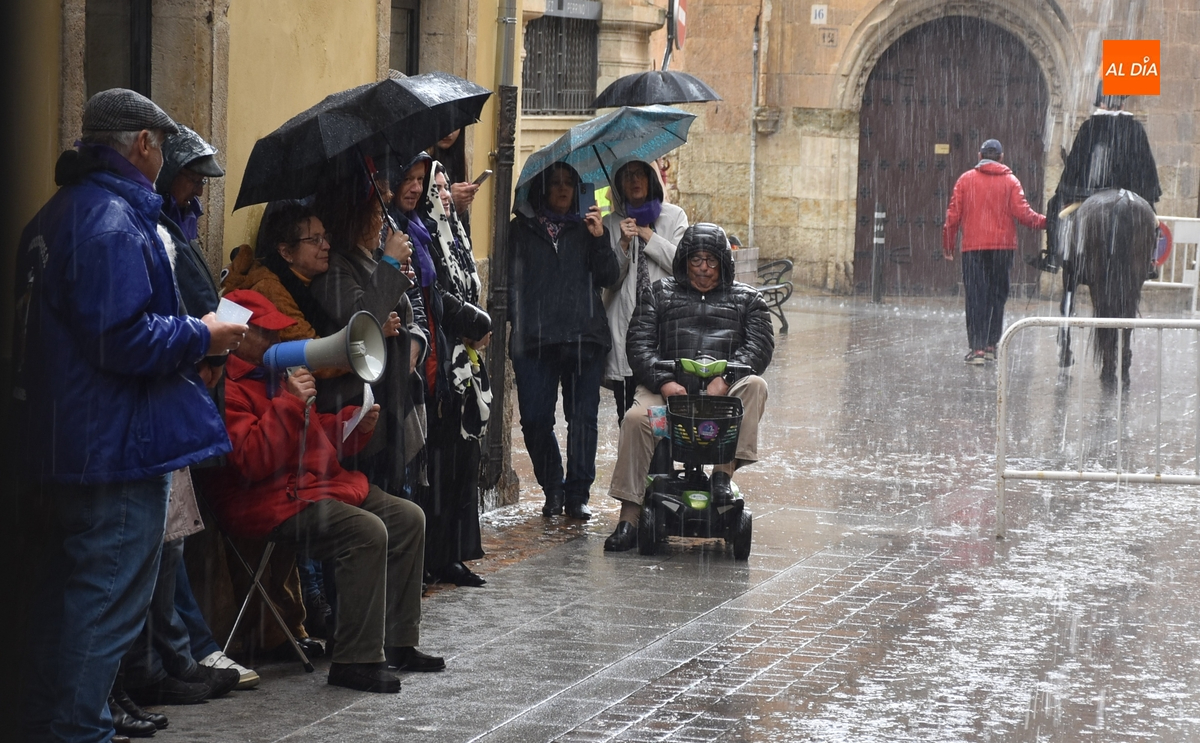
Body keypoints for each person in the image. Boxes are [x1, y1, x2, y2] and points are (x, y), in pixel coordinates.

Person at [15, 88, 247, 743]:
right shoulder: (111, 221)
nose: (165, 156)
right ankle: (80, 728)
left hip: (65, 443)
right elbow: (121, 338)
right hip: (111, 447)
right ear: (143, 143)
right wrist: (202, 334)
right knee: (106, 598)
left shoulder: (55, 214)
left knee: (67, 595)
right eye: (162, 143)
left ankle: (52, 720)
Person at [211, 289, 444, 693]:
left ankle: (398, 641)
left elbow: (313, 439)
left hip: (308, 486)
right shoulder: (226, 388)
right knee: (366, 532)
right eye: (262, 333)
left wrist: (350, 426)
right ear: (236, 335)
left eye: (275, 333)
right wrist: (290, 405)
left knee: (408, 518)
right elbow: (250, 461)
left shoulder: (276, 377)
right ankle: (354, 658)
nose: (273, 341)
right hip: (265, 500)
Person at [603, 223, 774, 552]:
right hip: (668, 397)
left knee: (755, 385)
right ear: (684, 261)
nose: (704, 268)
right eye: (696, 260)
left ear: (723, 263)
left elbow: (759, 347)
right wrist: (665, 381)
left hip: (722, 402)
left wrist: (726, 378)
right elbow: (639, 345)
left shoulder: (748, 299)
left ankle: (723, 475)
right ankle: (629, 517)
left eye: (711, 260)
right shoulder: (659, 293)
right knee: (636, 420)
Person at [389, 154, 492, 587]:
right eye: (414, 180)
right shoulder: (404, 231)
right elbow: (430, 297)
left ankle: (448, 554)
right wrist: (467, 320)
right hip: (430, 359)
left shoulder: (430, 228)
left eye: (427, 181)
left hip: (448, 360)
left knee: (454, 462)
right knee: (428, 466)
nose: (424, 190)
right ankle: (426, 559)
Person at [509, 162, 619, 521]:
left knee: (582, 419)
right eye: (554, 183)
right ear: (542, 189)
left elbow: (608, 276)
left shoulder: (589, 229)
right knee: (534, 419)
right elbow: (509, 282)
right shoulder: (520, 230)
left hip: (584, 337)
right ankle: (553, 488)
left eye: (568, 183)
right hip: (535, 340)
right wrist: (519, 318)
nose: (561, 189)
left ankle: (577, 494)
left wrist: (599, 237)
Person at [312, 164, 424, 496]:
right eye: (377, 212)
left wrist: (417, 341)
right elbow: (363, 319)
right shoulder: (334, 267)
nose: (382, 221)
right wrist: (389, 264)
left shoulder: (371, 256)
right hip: (362, 408)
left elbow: (408, 314)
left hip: (394, 400)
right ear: (355, 217)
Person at [1033, 84, 1161, 274]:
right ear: (1122, 104)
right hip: (1130, 193)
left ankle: (1052, 257)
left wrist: (1067, 187)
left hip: (1089, 192)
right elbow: (1146, 165)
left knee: (1054, 207)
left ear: (1102, 103)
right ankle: (1149, 261)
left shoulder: (1090, 127)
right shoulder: (1135, 128)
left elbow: (1076, 162)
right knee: (1151, 217)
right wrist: (1147, 193)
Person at [942, 139, 1046, 365]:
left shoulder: (965, 180)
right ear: (1001, 157)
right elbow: (1024, 214)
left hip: (973, 249)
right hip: (1002, 249)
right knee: (997, 296)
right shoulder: (1011, 181)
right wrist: (1047, 222)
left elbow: (952, 216)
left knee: (975, 296)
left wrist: (948, 245)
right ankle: (991, 344)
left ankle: (977, 349)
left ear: (979, 156)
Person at [601, 158, 688, 422]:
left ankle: (659, 452)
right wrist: (623, 245)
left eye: (640, 174)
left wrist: (649, 237)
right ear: (619, 185)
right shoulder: (610, 223)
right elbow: (609, 280)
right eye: (627, 176)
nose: (635, 180)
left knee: (664, 417)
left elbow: (684, 267)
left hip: (664, 330)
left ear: (651, 179)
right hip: (625, 331)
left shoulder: (674, 217)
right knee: (628, 416)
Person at [429, 128, 479, 236]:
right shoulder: (418, 161)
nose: (449, 133)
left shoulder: (457, 159)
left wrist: (458, 208)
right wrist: (449, 199)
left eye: (455, 127)